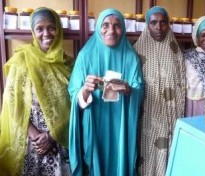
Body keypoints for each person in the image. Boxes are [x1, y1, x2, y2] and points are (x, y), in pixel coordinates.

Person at [68, 8, 144, 176]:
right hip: (95, 123)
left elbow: (139, 93)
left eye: (117, 26)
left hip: (121, 126)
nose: (111, 30)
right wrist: (85, 90)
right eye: (106, 25)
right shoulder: (85, 56)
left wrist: (129, 90)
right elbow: (74, 96)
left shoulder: (131, 57)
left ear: (123, 29)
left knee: (119, 163)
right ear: (98, 28)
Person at [0, 7, 73, 175]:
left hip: (60, 141)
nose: (46, 33)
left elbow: (75, 104)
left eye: (51, 27)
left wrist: (52, 135)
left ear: (58, 30)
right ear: (33, 31)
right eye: (40, 29)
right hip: (32, 144)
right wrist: (35, 135)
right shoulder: (21, 60)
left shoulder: (69, 64)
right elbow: (12, 102)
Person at [133, 6, 186, 176]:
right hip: (146, 116)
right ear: (147, 25)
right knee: (146, 150)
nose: (158, 27)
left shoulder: (175, 51)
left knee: (168, 150)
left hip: (170, 114)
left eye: (163, 23)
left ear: (168, 25)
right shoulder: (136, 51)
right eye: (154, 22)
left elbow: (182, 84)